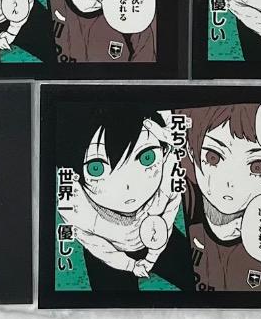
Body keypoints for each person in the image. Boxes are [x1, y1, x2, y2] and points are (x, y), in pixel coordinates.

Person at [54, 105, 191, 290]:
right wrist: (130, 265)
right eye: (96, 169)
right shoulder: (75, 207)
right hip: (108, 255)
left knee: (202, 280)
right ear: (76, 174)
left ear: (164, 151)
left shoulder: (169, 172)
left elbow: (168, 214)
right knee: (114, 305)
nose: (128, 186)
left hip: (158, 235)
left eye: (147, 157)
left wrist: (151, 257)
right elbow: (97, 246)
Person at [181, 104, 261, 292]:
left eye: (257, 167)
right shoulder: (178, 208)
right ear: (191, 151)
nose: (230, 183)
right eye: (213, 157)